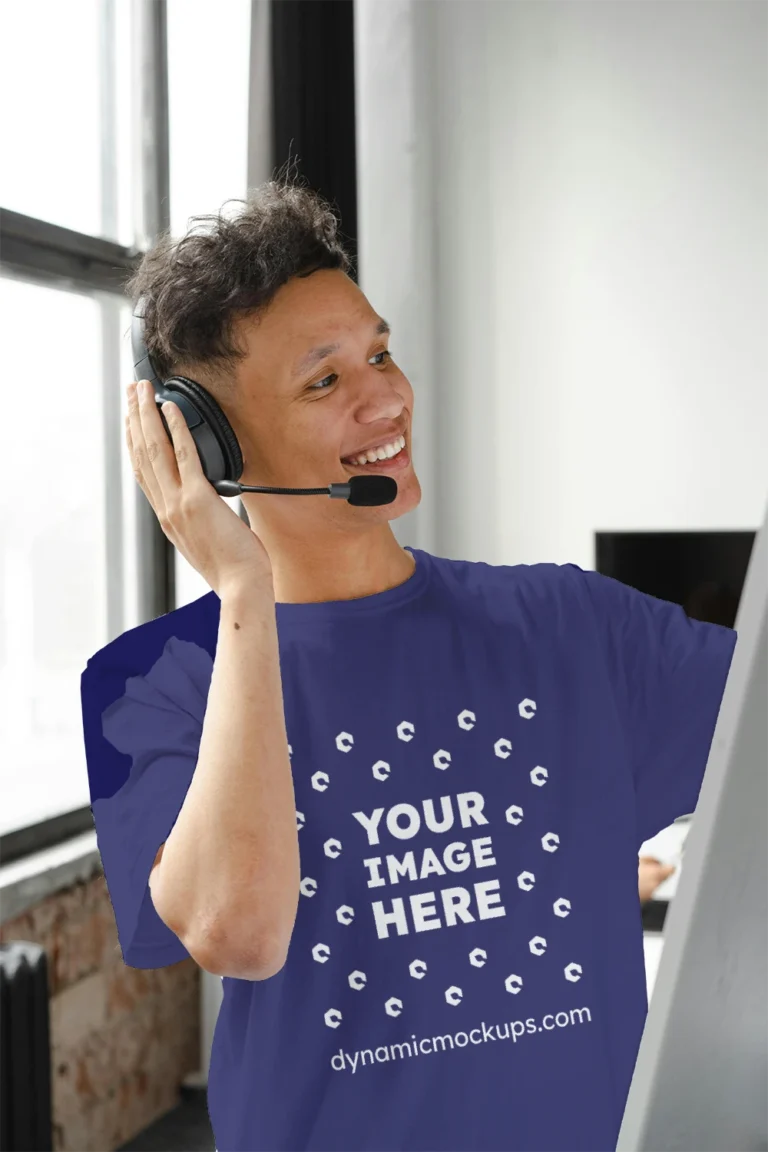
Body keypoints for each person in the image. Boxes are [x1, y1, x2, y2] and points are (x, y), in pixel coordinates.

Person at [80, 173, 737, 1152]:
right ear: (211, 447)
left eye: (379, 351)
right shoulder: (151, 685)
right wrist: (243, 592)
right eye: (325, 380)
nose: (385, 394)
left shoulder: (571, 624)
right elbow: (240, 931)